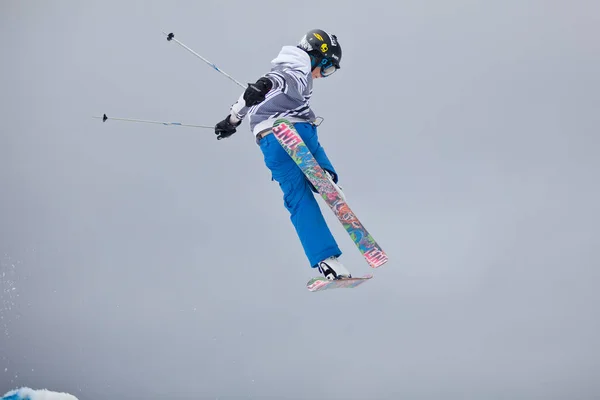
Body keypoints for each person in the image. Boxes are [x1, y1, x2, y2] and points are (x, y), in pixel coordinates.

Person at [214, 29, 351, 280]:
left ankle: (326, 261)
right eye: (328, 68)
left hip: (268, 141)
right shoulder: (298, 69)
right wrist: (266, 85)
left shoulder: (282, 67)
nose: (323, 75)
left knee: (296, 198)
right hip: (293, 129)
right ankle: (324, 177)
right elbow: (284, 81)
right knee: (310, 133)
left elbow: (248, 98)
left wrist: (231, 121)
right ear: (317, 57)